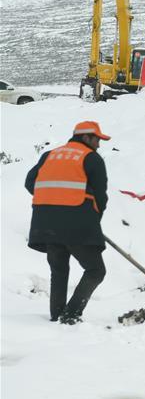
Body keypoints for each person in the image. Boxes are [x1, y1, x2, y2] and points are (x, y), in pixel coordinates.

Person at [25, 121, 111, 324]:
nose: (99, 144)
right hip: (77, 224)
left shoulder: (49, 155)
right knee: (96, 270)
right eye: (97, 139)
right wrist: (91, 218)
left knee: (59, 270)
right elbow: (101, 197)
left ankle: (56, 315)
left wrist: (53, 201)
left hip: (45, 223)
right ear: (86, 137)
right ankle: (70, 315)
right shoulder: (91, 158)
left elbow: (30, 183)